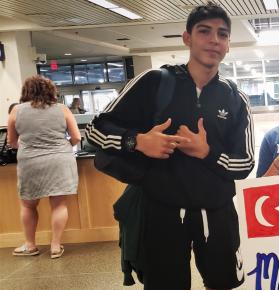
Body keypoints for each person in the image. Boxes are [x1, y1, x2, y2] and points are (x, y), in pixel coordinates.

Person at [85, 3, 254, 289]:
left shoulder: (235, 97)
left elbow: (245, 163)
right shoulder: (154, 82)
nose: (214, 40)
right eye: (204, 31)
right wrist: (138, 141)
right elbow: (94, 131)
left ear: (228, 45)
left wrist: (206, 152)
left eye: (222, 35)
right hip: (160, 211)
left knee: (224, 283)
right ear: (187, 38)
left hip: (216, 213)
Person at [7, 76, 81, 259]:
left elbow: (12, 141)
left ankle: (30, 245)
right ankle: (55, 246)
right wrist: (63, 147)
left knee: (28, 205)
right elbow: (77, 137)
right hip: (60, 160)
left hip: (30, 161)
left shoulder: (16, 110)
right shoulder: (62, 109)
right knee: (59, 204)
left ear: (26, 91)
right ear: (50, 90)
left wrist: (29, 147)